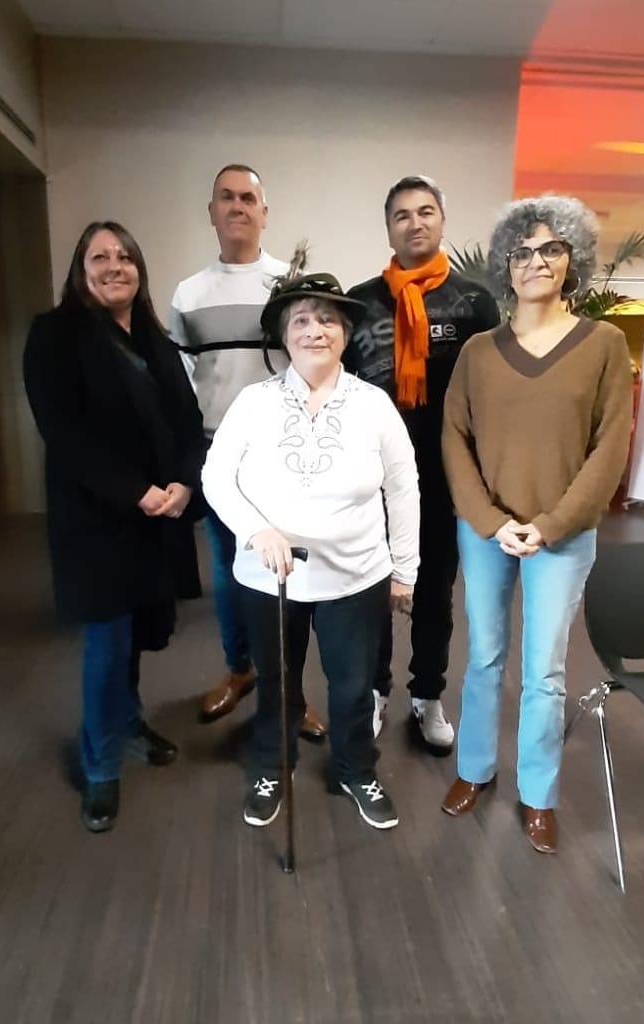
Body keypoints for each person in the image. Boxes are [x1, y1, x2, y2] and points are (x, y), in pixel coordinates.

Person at [440, 195, 633, 854]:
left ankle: (538, 793)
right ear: (505, 264)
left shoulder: (603, 345)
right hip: (485, 533)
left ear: (573, 257)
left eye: (551, 248)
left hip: (564, 536)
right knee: (483, 657)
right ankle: (473, 769)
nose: (535, 261)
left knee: (545, 671)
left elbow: (609, 448)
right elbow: (454, 439)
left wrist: (549, 526)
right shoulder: (477, 352)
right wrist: (490, 521)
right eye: (521, 251)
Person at [202, 270, 420, 829]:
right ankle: (273, 765)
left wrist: (405, 569)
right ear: (283, 335)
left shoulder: (373, 404)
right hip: (269, 576)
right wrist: (256, 530)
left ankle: (355, 769)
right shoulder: (253, 402)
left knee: (353, 685)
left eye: (327, 319)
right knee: (277, 682)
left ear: (345, 332)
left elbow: (403, 487)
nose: (314, 330)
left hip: (356, 575)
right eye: (300, 320)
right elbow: (216, 477)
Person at [24, 221, 208, 833]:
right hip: (97, 520)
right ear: (81, 270)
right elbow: (64, 433)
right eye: (99, 256)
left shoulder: (155, 338)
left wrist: (184, 483)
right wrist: (136, 491)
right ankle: (99, 766)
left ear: (139, 269)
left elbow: (189, 424)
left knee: (135, 636)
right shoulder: (54, 335)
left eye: (125, 256)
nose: (114, 266)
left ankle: (128, 723)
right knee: (106, 643)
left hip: (157, 517)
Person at [169, 164, 326, 740]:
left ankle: (292, 693)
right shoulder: (189, 294)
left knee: (290, 578)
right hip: (219, 458)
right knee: (230, 574)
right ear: (212, 212)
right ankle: (240, 670)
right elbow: (181, 382)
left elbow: (314, 362)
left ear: (264, 213)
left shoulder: (290, 284)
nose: (237, 206)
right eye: (226, 198)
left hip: (283, 458)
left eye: (248, 198)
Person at [345, 176, 500, 743]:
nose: (415, 222)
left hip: (444, 473)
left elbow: (491, 392)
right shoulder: (360, 302)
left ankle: (427, 695)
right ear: (389, 228)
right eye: (402, 215)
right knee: (372, 590)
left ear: (441, 220)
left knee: (434, 591)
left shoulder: (475, 302)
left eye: (426, 211)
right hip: (373, 476)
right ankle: (376, 689)